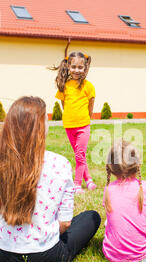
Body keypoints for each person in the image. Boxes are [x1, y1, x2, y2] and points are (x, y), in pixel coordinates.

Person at [0, 96, 101, 262]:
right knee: (92, 217)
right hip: (46, 256)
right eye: (46, 120)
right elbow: (65, 223)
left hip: (2, 257)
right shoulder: (60, 164)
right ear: (39, 127)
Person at [51, 48, 96, 194]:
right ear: (68, 66)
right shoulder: (64, 86)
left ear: (85, 68)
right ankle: (88, 179)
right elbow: (65, 106)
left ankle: (77, 184)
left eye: (80, 67)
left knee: (79, 154)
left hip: (83, 125)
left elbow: (91, 105)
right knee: (79, 154)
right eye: (74, 66)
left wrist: (86, 119)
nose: (77, 70)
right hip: (69, 125)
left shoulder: (88, 86)